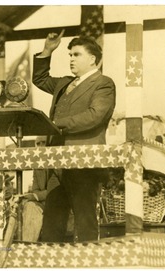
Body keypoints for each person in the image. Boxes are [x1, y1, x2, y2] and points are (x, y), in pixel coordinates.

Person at [32, 30, 116, 242]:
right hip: (57, 166)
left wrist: (54, 124)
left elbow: (95, 116)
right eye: (69, 55)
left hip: (83, 163)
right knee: (51, 222)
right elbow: (40, 78)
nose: (70, 59)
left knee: (85, 222)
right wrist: (48, 50)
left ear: (92, 59)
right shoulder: (63, 84)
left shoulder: (103, 83)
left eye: (76, 54)